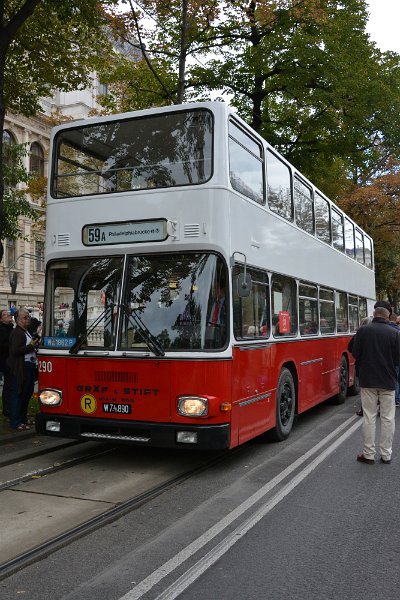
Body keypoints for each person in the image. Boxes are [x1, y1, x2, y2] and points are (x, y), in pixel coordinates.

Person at [350, 302, 400, 464]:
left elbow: (355, 352)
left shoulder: (363, 331)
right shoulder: (395, 333)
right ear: (388, 316)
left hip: (368, 380)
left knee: (369, 417)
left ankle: (368, 454)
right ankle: (386, 454)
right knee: (387, 418)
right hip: (388, 380)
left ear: (375, 314)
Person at [7, 309, 39, 431]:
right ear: (19, 320)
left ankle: (23, 419)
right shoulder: (17, 332)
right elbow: (15, 351)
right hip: (21, 367)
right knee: (19, 394)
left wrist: (33, 344)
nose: (28, 319)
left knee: (26, 394)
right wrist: (31, 346)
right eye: (26, 317)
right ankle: (16, 422)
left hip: (28, 366)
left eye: (29, 317)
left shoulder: (25, 331)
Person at [0, 309, 14, 417]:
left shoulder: (10, 328)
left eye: (8, 314)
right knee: (8, 386)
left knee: (10, 385)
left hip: (11, 360)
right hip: (6, 361)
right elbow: (2, 346)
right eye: (5, 315)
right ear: (1, 319)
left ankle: (9, 408)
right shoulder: (2, 329)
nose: (8, 315)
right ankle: (7, 409)